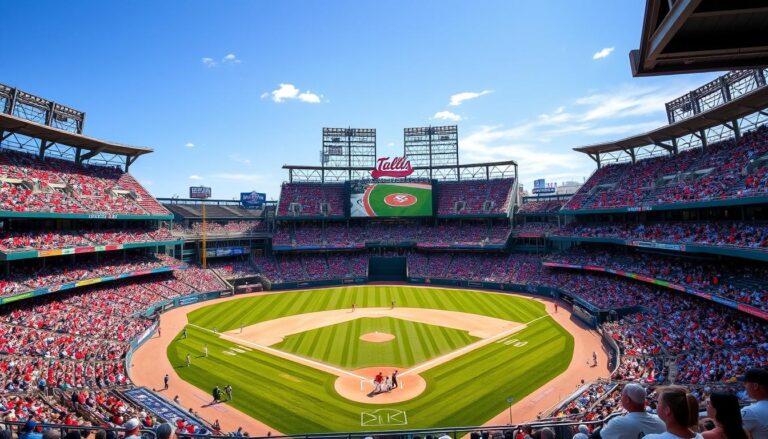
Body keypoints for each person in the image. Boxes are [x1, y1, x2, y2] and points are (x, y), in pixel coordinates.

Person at [600, 383, 666, 439]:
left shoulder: (618, 422)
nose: (621, 397)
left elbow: (602, 435)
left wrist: (605, 426)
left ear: (627, 399)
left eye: (622, 395)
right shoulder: (661, 420)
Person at [740, 368, 768, 439]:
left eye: (745, 383)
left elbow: (728, 432)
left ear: (755, 386)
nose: (744, 386)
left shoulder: (751, 411)